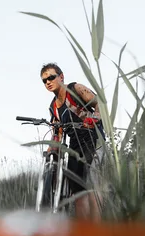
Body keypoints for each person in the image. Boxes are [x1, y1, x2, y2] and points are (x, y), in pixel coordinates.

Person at [40, 62, 104, 222]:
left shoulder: (75, 89)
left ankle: (97, 229)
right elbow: (58, 132)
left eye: (51, 77)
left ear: (61, 77)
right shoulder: (53, 107)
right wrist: (51, 149)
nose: (48, 82)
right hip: (75, 147)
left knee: (92, 185)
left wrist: (93, 118)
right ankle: (83, 231)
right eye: (44, 80)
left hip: (93, 139)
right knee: (77, 188)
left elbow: (100, 105)